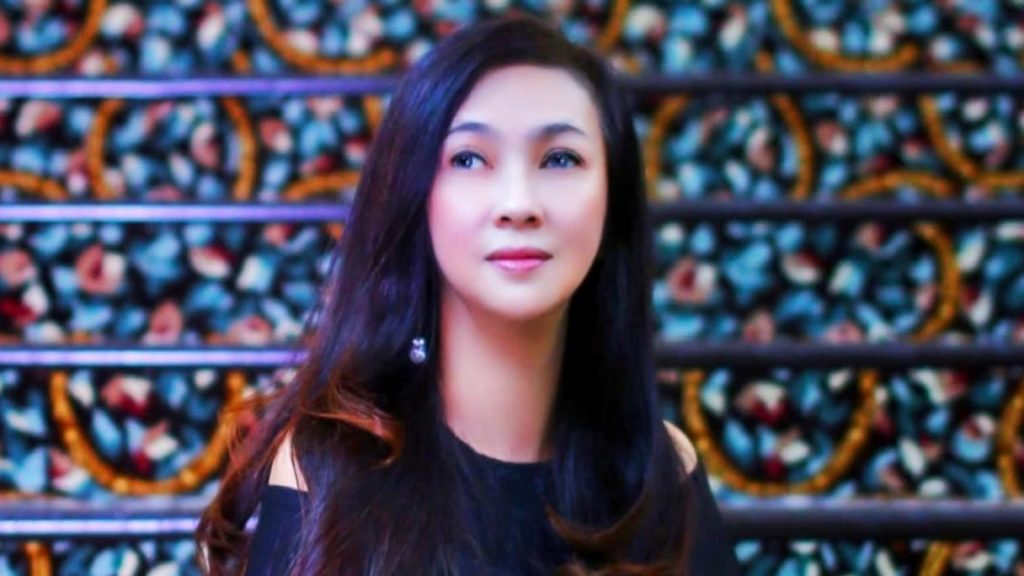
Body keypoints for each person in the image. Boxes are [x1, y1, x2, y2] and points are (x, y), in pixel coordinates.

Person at [196, 13, 740, 576]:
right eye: (469, 159)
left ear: (612, 200)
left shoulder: (658, 472)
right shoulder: (327, 468)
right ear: (415, 196)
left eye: (560, 159)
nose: (518, 204)